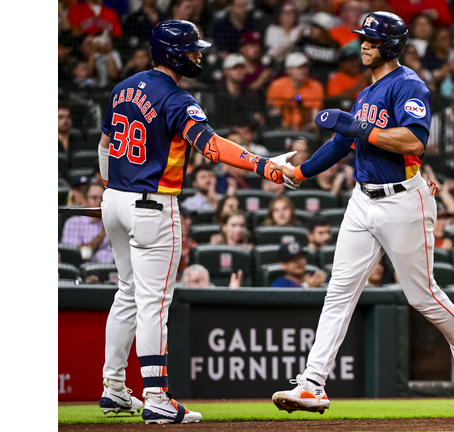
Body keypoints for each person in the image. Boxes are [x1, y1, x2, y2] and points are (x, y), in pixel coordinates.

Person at [271, 12, 454, 414]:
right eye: (362, 39)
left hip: (403, 200)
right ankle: (313, 382)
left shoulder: (408, 84)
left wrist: (359, 129)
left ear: (389, 45)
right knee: (339, 290)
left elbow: (414, 142)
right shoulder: (366, 92)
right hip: (363, 199)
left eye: (369, 39)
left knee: (421, 296)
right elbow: (340, 144)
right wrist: (300, 172)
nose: (362, 45)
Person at [96, 20, 293, 424]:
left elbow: (104, 147)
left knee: (127, 294)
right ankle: (156, 396)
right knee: (153, 303)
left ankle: (114, 388)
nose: (198, 55)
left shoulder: (123, 88)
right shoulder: (175, 97)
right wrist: (264, 165)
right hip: (152, 204)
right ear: (172, 53)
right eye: (191, 49)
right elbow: (211, 146)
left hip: (114, 199)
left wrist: (112, 189)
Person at [266, 52, 325, 132]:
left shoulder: (315, 86)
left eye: (305, 67)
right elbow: (274, 114)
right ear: (288, 69)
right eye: (299, 67)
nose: (303, 70)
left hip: (307, 130)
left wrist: (306, 130)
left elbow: (316, 116)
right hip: (282, 129)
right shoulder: (277, 86)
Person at [61, 182, 114, 264]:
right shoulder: (74, 222)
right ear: (85, 201)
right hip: (85, 269)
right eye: (94, 198)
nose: (99, 201)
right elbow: (75, 254)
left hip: (113, 270)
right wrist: (102, 234)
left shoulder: (114, 222)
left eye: (102, 198)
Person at [215, 53, 264, 129]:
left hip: (248, 133)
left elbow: (260, 120)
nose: (239, 71)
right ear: (226, 71)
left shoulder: (250, 93)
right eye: (235, 68)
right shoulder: (217, 93)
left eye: (242, 67)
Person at [296, 12, 341, 85]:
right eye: (312, 26)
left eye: (316, 27)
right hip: (307, 81)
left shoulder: (334, 45)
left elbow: (337, 67)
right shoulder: (304, 41)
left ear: (325, 30)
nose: (312, 29)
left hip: (327, 82)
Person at [239, 31, 272, 98]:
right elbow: (241, 96)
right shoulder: (235, 69)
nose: (257, 49)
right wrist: (261, 79)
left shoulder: (263, 69)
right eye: (252, 45)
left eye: (258, 45)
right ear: (242, 48)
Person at [388, 0, 453, 28]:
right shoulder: (395, 2)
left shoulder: (437, 1)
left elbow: (447, 21)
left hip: (431, 40)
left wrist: (438, 16)